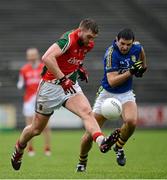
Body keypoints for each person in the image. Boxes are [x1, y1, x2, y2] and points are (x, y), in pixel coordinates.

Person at [11, 19, 120, 171]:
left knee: (87, 113)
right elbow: (47, 58)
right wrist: (63, 79)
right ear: (80, 31)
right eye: (89, 36)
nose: (91, 41)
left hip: (70, 85)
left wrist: (79, 68)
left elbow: (73, 59)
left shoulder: (88, 44)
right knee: (36, 129)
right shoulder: (68, 39)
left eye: (93, 38)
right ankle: (19, 148)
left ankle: (102, 142)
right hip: (50, 88)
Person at [76, 28, 147, 172]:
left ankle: (118, 147)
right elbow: (113, 81)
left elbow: (142, 56)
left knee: (132, 122)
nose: (125, 47)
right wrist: (131, 72)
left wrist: (142, 68)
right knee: (90, 134)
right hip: (107, 94)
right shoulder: (111, 53)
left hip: (126, 94)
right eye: (122, 44)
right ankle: (82, 161)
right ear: (116, 40)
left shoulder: (137, 47)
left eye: (128, 44)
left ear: (132, 43)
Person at [17, 48, 51, 156]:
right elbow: (21, 84)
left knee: (45, 125)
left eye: (33, 55)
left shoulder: (44, 67)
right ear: (27, 57)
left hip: (42, 98)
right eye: (29, 55)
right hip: (29, 99)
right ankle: (30, 148)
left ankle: (47, 148)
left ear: (37, 55)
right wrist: (20, 85)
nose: (31, 57)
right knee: (29, 125)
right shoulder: (24, 70)